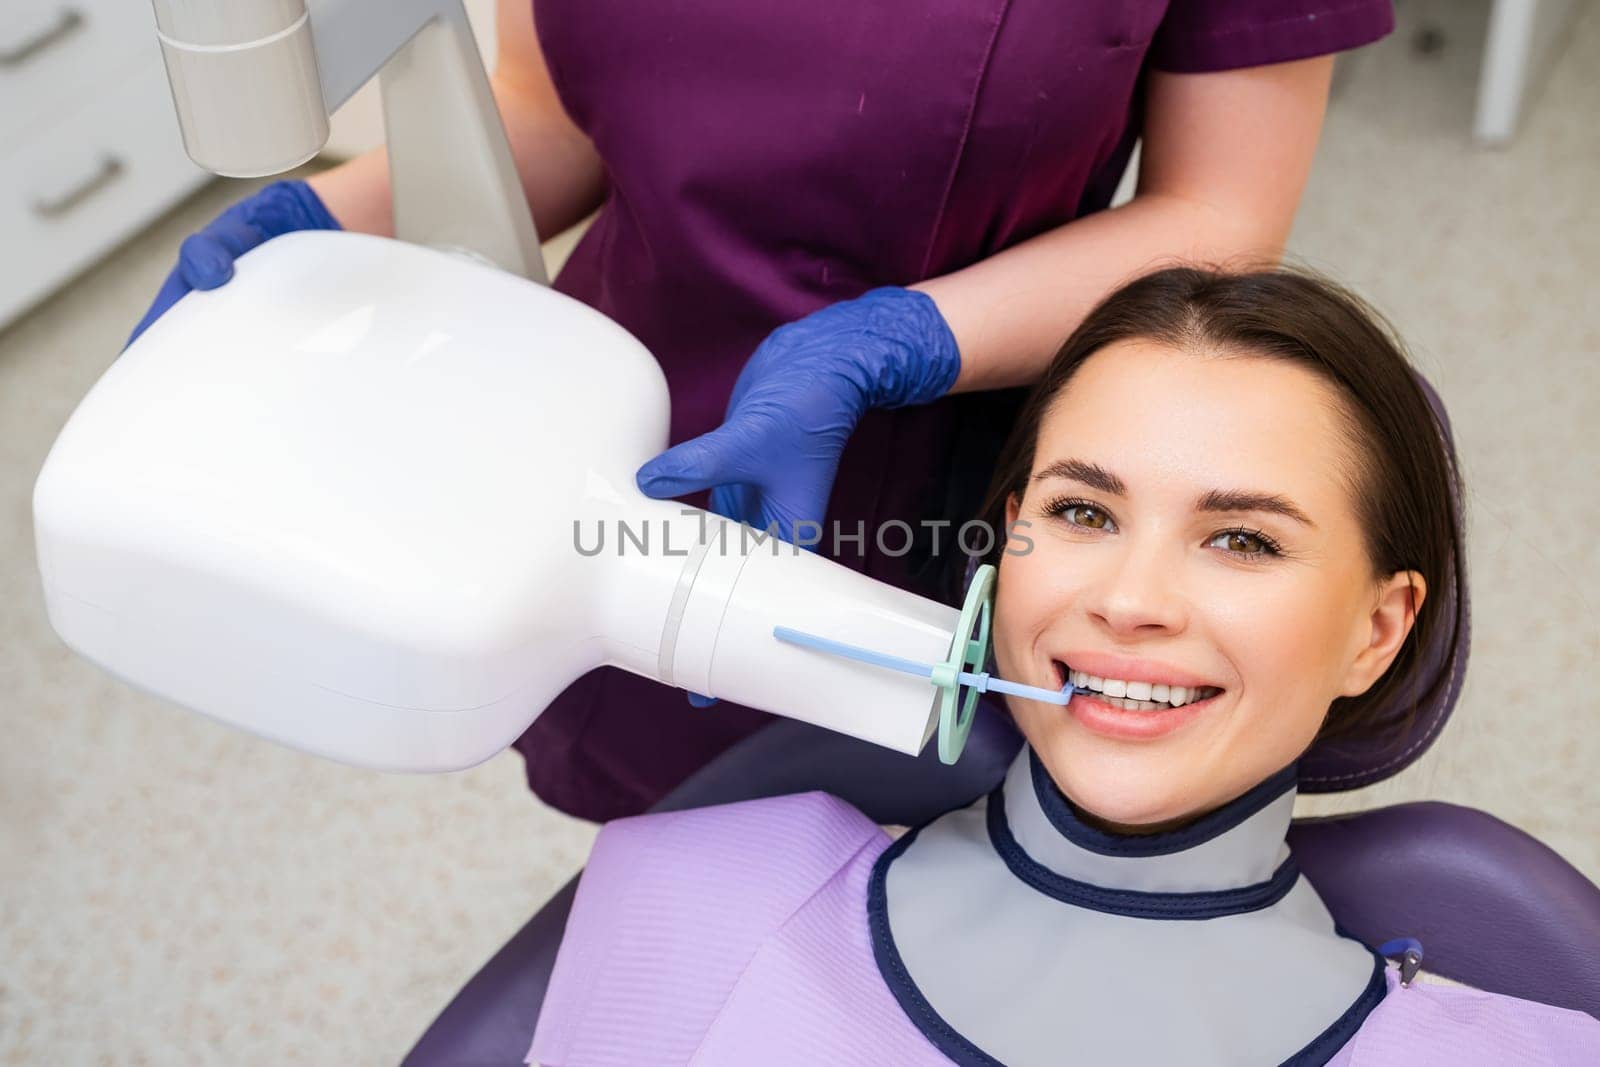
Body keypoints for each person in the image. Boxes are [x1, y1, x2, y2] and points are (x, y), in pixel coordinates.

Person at [127, 1, 1403, 822]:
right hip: (631, 420)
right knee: (676, 837)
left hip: (938, 445)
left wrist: (901, 338)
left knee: (932, 850)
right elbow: (552, 115)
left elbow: (1221, 219)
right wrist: (319, 219)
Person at [523, 267, 1600, 1065]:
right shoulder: (689, 894)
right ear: (1004, 544)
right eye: (1081, 511)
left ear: (1378, 629)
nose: (1127, 601)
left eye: (1243, 539)